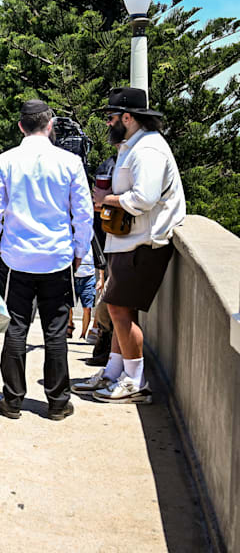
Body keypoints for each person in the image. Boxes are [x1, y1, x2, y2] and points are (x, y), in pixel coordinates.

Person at [0, 100, 94, 422]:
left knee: (15, 328)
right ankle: (58, 402)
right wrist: (79, 251)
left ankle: (12, 399)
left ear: (20, 127)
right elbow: (83, 212)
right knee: (56, 331)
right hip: (58, 256)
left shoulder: (4, 161)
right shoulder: (70, 161)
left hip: (16, 258)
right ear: (50, 125)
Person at [80, 87, 186, 404]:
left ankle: (136, 381)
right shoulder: (133, 146)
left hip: (145, 243)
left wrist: (105, 199)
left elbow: (144, 199)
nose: (108, 123)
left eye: (111, 117)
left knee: (118, 309)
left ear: (128, 117)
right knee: (119, 310)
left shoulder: (148, 150)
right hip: (129, 242)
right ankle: (115, 373)